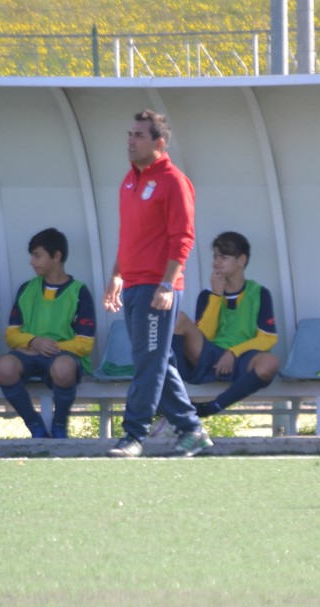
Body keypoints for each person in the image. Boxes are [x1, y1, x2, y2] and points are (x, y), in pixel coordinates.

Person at [102, 109, 212, 458]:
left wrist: (167, 284)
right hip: (133, 284)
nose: (130, 141)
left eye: (138, 135)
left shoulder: (173, 180)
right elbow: (128, 236)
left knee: (149, 364)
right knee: (157, 362)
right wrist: (117, 275)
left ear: (159, 143)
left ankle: (134, 435)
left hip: (157, 288)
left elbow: (183, 237)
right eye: (129, 134)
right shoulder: (129, 180)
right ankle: (192, 429)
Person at [0, 228, 96, 439]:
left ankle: (60, 427)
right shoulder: (26, 289)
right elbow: (11, 335)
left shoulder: (79, 291)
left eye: (37, 255)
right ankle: (36, 427)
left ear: (56, 256)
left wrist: (49, 347)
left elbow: (85, 344)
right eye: (32, 256)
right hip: (30, 352)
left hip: (63, 356)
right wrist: (34, 341)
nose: (32, 261)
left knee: (64, 367)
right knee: (4, 367)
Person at [172, 231, 280, 416]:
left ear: (241, 260)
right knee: (179, 319)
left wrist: (233, 352)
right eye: (215, 257)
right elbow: (205, 336)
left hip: (242, 357)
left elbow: (268, 339)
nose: (216, 262)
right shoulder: (208, 294)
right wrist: (216, 296)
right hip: (209, 356)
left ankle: (214, 406)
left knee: (270, 362)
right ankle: (173, 395)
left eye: (224, 257)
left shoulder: (260, 293)